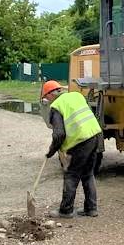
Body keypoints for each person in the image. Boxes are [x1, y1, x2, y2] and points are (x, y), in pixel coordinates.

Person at [41, 80, 104, 218]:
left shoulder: (56, 106)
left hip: (80, 141)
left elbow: (59, 135)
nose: (47, 101)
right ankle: (91, 209)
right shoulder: (76, 95)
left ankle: (66, 210)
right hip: (95, 136)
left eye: (46, 97)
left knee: (71, 174)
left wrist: (51, 151)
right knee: (88, 174)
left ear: (51, 94)